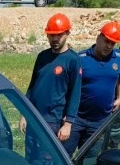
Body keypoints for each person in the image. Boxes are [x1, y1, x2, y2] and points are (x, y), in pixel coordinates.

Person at [20, 13, 81, 147]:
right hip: (34, 117)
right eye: (52, 35)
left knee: (46, 160)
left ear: (67, 33)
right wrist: (25, 113)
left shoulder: (72, 60)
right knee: (31, 158)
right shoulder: (42, 56)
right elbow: (32, 86)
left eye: (59, 35)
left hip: (53, 120)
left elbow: (75, 93)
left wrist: (68, 124)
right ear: (47, 34)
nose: (55, 38)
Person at [68, 22, 120, 157]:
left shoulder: (119, 58)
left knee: (89, 160)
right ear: (98, 37)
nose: (108, 46)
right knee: (65, 156)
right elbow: (69, 85)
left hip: (100, 121)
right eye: (106, 41)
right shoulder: (81, 58)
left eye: (112, 43)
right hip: (77, 118)